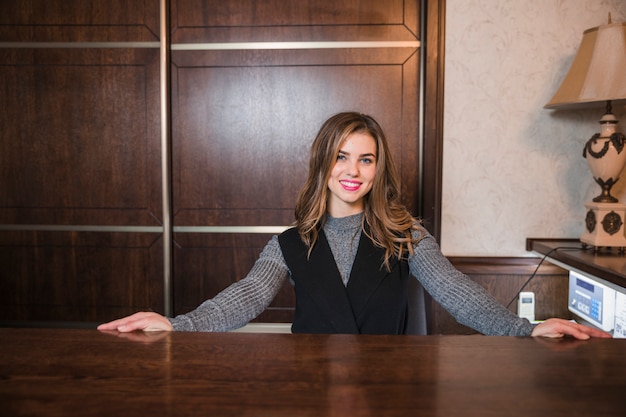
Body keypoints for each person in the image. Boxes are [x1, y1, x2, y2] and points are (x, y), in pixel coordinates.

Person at [98, 112, 611, 339]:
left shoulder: (408, 236)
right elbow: (246, 296)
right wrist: (177, 324)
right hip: (309, 388)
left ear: (377, 169)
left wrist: (525, 330)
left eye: (366, 160)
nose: (353, 171)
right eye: (341, 157)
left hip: (391, 390)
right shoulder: (289, 244)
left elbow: (458, 293)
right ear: (323, 163)